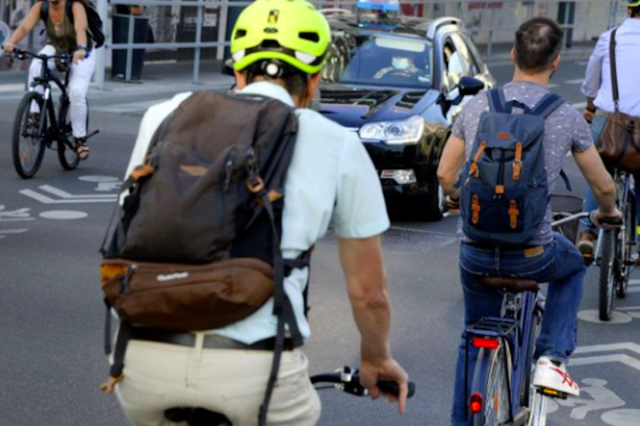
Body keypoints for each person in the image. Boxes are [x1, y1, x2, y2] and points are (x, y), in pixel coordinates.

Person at [110, 1, 409, 425]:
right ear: (314, 79)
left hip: (140, 357)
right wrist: (375, 359)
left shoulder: (164, 115)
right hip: (256, 372)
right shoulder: (337, 143)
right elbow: (369, 293)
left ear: (237, 70)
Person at [437, 17, 622, 426]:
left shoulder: (476, 106)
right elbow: (603, 185)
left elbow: (445, 175)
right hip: (533, 252)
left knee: (472, 336)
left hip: (476, 251)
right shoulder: (566, 117)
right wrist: (608, 212)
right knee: (572, 266)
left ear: (513, 55)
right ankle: (552, 357)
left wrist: (459, 199)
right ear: (556, 61)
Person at [578, 0, 640, 258]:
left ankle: (587, 234)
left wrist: (591, 105)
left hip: (610, 125)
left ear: (628, 9)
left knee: (598, 171)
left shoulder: (609, 38)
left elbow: (591, 81)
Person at [2, 0, 95, 159]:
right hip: (56, 47)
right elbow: (24, 27)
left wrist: (80, 48)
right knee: (36, 67)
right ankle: (35, 116)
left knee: (76, 92)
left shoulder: (75, 6)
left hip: (81, 51)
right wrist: (11, 42)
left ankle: (80, 139)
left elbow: (80, 29)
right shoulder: (41, 7)